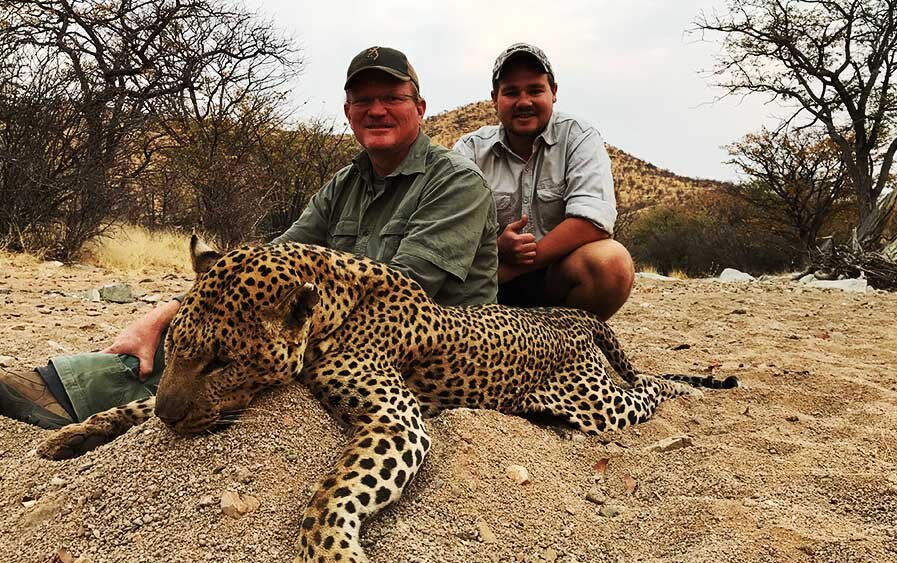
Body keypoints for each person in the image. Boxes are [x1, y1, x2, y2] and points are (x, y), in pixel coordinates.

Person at [0, 46, 498, 430]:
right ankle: (78, 378)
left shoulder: (455, 181)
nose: (377, 110)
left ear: (420, 107)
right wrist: (169, 311)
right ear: (348, 111)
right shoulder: (343, 184)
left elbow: (403, 293)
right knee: (207, 337)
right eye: (363, 100)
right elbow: (264, 264)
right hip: (344, 344)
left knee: (239, 351)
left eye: (392, 98)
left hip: (431, 358)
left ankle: (68, 391)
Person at [454, 43, 634, 321]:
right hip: (486, 285)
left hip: (551, 278)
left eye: (535, 90)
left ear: (554, 92)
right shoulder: (469, 150)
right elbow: (451, 228)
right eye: (511, 92)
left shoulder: (580, 137)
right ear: (494, 98)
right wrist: (495, 249)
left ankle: (567, 343)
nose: (523, 102)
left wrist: (515, 267)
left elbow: (593, 222)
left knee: (611, 264)